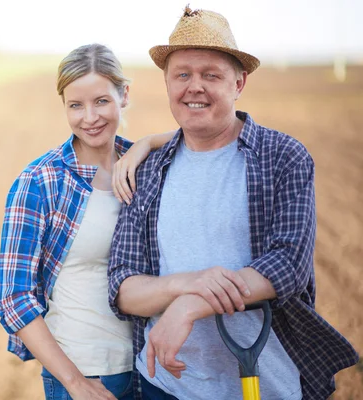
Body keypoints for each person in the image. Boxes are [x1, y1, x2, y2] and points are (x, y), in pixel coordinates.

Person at [108, 6, 359, 400]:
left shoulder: (282, 157)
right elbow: (123, 287)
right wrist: (189, 284)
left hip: (266, 384)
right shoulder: (148, 169)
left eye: (211, 75)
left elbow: (287, 265)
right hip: (166, 386)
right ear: (166, 82)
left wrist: (190, 305)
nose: (195, 87)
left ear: (238, 83)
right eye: (183, 75)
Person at [0, 43, 179, 400]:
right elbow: (13, 298)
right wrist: (75, 382)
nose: (89, 117)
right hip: (88, 373)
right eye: (75, 106)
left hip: (152, 368)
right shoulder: (41, 181)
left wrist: (147, 143)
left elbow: (215, 131)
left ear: (124, 95)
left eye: (101, 101)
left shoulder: (144, 165)